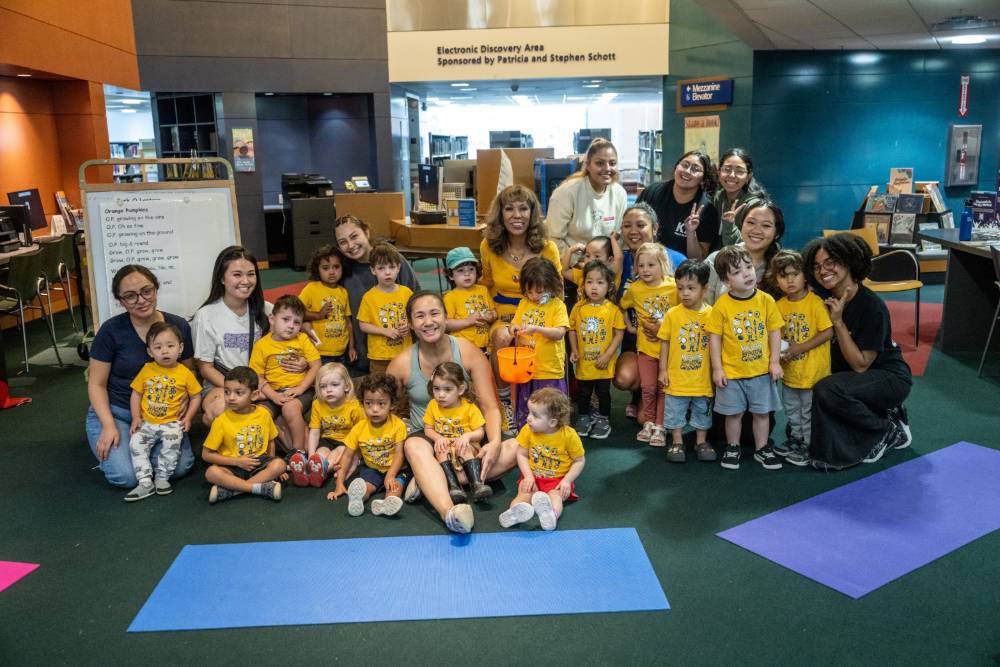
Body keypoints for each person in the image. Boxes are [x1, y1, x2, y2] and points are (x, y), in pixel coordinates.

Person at [388, 291, 520, 534]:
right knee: (413, 446)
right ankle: (450, 512)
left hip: (469, 435)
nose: (429, 321)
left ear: (446, 317)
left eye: (434, 313)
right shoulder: (401, 363)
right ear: (411, 324)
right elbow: (388, 410)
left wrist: (494, 442)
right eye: (420, 316)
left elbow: (490, 406)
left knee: (517, 447)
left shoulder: (468, 351)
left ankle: (431, 479)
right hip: (430, 438)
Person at [800, 233, 912, 469]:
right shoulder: (820, 298)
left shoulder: (871, 306)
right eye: (817, 266)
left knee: (828, 389)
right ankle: (881, 415)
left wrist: (838, 322)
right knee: (813, 395)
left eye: (830, 262)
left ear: (849, 261)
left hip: (888, 376)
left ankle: (887, 429)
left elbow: (860, 365)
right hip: (850, 377)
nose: (823, 271)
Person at [86, 265, 197, 488]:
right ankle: (119, 442)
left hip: (163, 415)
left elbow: (189, 371)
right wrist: (108, 425)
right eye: (130, 296)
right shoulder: (110, 331)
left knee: (179, 468)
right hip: (117, 411)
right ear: (120, 300)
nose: (141, 300)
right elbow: (96, 384)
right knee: (126, 477)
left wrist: (186, 396)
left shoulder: (178, 326)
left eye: (147, 291)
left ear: (156, 289)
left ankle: (140, 451)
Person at [480, 185, 561, 422]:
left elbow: (557, 290)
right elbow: (486, 284)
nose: (517, 215)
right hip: (504, 314)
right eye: (509, 209)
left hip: (540, 314)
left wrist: (538, 314)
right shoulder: (488, 246)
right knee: (502, 337)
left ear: (532, 213)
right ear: (500, 213)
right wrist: (486, 311)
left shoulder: (548, 248)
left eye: (523, 209)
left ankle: (544, 400)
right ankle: (505, 400)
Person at [193, 246, 299, 425]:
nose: (245, 281)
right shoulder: (206, 316)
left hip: (263, 383)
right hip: (222, 384)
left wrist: (301, 361)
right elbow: (205, 368)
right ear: (222, 278)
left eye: (251, 274)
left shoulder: (267, 309)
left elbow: (293, 338)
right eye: (237, 274)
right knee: (221, 410)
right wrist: (240, 390)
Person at [706, 246, 785, 471]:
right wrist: (718, 368)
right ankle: (733, 446)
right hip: (732, 374)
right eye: (737, 272)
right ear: (726, 281)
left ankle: (762, 448)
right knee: (733, 414)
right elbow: (714, 338)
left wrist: (774, 362)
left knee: (762, 413)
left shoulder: (766, 300)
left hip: (761, 372)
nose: (747, 274)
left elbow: (774, 331)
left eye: (748, 267)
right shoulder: (722, 305)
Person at [612, 204, 685, 419]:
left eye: (640, 225)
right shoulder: (619, 260)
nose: (633, 231)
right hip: (637, 343)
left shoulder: (676, 260)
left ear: (655, 228)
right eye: (627, 226)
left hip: (670, 343)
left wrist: (667, 326)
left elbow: (693, 304)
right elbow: (617, 302)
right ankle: (640, 395)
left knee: (648, 415)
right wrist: (629, 326)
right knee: (624, 378)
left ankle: (673, 400)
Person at [767, 250, 833, 465]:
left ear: (805, 276)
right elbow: (776, 336)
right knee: (792, 410)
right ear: (776, 280)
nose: (789, 280)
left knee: (808, 412)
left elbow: (827, 332)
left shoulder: (815, 302)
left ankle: (809, 445)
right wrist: (781, 353)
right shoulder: (778, 306)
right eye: (783, 276)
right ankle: (796, 439)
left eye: (794, 274)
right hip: (791, 373)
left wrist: (801, 347)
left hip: (813, 373)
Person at [125, 322, 203, 501]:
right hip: (147, 421)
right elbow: (136, 394)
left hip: (172, 423)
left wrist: (189, 417)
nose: (165, 351)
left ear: (180, 348)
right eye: (158, 347)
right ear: (150, 351)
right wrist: (136, 417)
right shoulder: (146, 370)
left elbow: (196, 397)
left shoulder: (185, 373)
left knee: (171, 446)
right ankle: (145, 481)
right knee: (135, 444)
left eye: (170, 346)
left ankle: (162, 478)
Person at [334, 214, 419, 376]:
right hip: (363, 358)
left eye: (354, 236)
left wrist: (409, 323)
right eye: (343, 242)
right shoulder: (342, 271)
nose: (350, 245)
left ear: (366, 232)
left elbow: (418, 301)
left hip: (403, 353)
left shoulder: (392, 260)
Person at [498, 388, 585, 531]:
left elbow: (579, 461)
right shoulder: (528, 430)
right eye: (529, 412)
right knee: (524, 494)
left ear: (552, 422)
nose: (528, 418)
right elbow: (521, 454)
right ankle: (514, 512)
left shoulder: (569, 435)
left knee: (555, 497)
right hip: (533, 477)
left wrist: (567, 480)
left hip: (557, 481)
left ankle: (551, 515)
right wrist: (528, 476)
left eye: (535, 415)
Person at [620, 242, 678, 447]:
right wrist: (630, 326)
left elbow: (684, 311)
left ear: (663, 265)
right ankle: (649, 422)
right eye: (641, 265)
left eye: (651, 265)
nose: (645, 270)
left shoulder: (673, 287)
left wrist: (667, 325)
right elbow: (622, 305)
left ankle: (660, 426)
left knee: (664, 388)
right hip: (645, 349)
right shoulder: (635, 289)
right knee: (648, 387)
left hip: (668, 350)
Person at [328, 373, 409, 518]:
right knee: (367, 486)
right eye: (369, 403)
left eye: (381, 403)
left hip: (396, 469)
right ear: (362, 403)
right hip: (373, 469)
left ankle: (387, 503)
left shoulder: (398, 425)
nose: (374, 409)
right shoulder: (359, 428)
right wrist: (339, 484)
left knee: (395, 487)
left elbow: (399, 454)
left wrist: (390, 475)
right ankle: (358, 499)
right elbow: (347, 456)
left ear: (392, 404)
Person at [657, 259, 715, 463]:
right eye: (680, 288)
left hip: (702, 379)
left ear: (704, 289)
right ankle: (677, 441)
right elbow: (664, 342)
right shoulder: (672, 314)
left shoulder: (712, 314)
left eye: (691, 288)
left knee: (702, 411)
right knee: (675, 411)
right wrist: (663, 370)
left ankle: (701, 441)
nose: (685, 293)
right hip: (677, 378)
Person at [201, 366, 286, 504]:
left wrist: (272, 464)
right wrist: (237, 461)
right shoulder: (221, 421)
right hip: (232, 466)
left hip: (258, 462)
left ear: (254, 395)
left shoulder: (264, 414)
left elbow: (270, 441)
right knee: (211, 473)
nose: (231, 397)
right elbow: (207, 455)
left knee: (280, 464)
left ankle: (233, 490)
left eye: (238, 393)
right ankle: (257, 488)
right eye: (227, 392)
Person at [249, 294, 321, 455]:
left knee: (290, 408)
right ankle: (266, 456)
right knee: (260, 414)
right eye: (286, 319)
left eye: (297, 322)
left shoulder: (302, 339)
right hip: (272, 392)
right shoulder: (261, 345)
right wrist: (273, 396)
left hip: (300, 390)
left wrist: (300, 388)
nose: (291, 326)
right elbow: (258, 377)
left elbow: (316, 365)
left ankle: (298, 452)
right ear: (272, 319)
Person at [507, 257, 570, 431]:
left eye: (540, 291)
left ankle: (554, 438)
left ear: (551, 286)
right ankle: (526, 435)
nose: (534, 296)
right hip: (526, 370)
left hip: (549, 370)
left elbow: (560, 333)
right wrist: (513, 329)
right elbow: (513, 324)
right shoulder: (524, 303)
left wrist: (537, 329)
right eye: (529, 292)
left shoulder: (557, 306)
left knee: (551, 410)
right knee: (526, 406)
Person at [568, 261, 625, 440]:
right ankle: (584, 417)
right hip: (584, 363)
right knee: (583, 392)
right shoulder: (578, 308)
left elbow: (619, 334)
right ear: (583, 284)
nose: (594, 287)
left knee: (603, 392)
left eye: (600, 282)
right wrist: (574, 350)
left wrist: (608, 356)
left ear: (609, 286)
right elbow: (572, 330)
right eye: (589, 282)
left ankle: (603, 419)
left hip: (603, 364)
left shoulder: (613, 310)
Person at [422, 361, 490, 504]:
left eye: (447, 389)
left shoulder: (469, 407)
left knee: (463, 447)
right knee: (441, 449)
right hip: (446, 449)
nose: (441, 395)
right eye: (436, 388)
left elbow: (480, 432)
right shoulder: (433, 405)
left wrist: (467, 436)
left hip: (467, 448)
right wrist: (438, 438)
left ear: (460, 389)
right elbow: (428, 429)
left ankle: (476, 484)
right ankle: (454, 487)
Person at [544, 138, 628, 253]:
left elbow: (618, 236)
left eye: (612, 163)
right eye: (600, 163)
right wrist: (579, 260)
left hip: (606, 261)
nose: (607, 168)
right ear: (587, 165)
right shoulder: (566, 192)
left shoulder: (620, 193)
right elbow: (552, 239)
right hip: (572, 260)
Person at [637, 150, 719, 259]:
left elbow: (697, 259)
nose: (687, 171)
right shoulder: (652, 192)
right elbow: (633, 227)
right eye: (685, 165)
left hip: (682, 266)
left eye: (695, 169)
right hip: (647, 261)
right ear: (676, 167)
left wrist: (691, 233)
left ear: (703, 180)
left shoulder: (707, 209)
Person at [705, 200, 785, 304]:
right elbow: (701, 307)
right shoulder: (716, 260)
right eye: (751, 222)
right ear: (741, 224)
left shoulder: (782, 267)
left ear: (777, 233)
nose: (756, 230)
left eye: (766, 225)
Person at [296, 362, 363, 487]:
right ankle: (312, 468)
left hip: (347, 442)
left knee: (336, 455)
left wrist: (357, 455)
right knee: (320, 454)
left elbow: (362, 433)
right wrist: (311, 456)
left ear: (346, 386)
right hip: (327, 440)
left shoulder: (354, 406)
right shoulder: (317, 404)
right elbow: (314, 432)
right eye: (323, 386)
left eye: (334, 385)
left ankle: (318, 472)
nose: (328, 390)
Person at [356, 243, 414, 375]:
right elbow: (363, 325)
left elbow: (415, 317)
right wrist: (384, 331)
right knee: (380, 385)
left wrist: (409, 325)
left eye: (392, 267)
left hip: (404, 354)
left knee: (404, 384)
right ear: (373, 270)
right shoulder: (369, 297)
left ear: (398, 268)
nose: (387, 272)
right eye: (381, 268)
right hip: (379, 357)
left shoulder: (407, 293)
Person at [298, 244, 356, 366]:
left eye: (336, 267)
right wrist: (318, 315)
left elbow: (348, 322)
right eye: (325, 268)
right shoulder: (311, 288)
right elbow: (296, 311)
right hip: (319, 351)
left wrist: (351, 347)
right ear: (317, 270)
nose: (332, 272)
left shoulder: (343, 292)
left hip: (341, 352)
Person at [442, 246, 495, 351]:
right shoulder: (450, 297)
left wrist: (491, 316)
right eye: (460, 270)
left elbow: (493, 311)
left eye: (471, 269)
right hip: (462, 347)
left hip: (484, 344)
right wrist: (468, 321)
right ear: (451, 275)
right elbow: (446, 324)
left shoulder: (483, 290)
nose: (467, 274)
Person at [713, 148, 767, 247]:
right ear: (719, 172)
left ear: (748, 177)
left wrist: (729, 225)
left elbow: (751, 245)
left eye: (739, 171)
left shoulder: (755, 206)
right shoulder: (718, 198)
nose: (732, 175)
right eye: (727, 169)